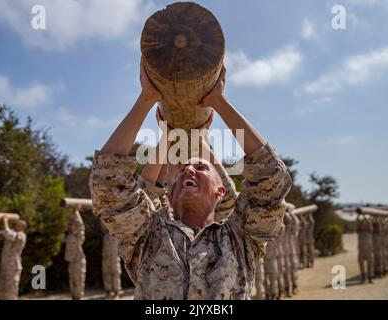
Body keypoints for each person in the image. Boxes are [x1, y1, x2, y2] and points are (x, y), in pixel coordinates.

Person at [89, 60, 292, 299]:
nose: (188, 170)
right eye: (184, 169)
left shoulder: (240, 241)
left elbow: (271, 180)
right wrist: (147, 100)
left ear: (220, 191)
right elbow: (109, 185)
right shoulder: (149, 237)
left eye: (200, 168)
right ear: (171, 197)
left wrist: (219, 101)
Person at [0, 215, 27, 299]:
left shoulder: (21, 236)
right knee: (2, 290)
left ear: (22, 227)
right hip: (5, 265)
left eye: (17, 225)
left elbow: (9, 234)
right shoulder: (11, 232)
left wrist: (5, 221)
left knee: (11, 291)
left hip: (13, 267)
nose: (15, 225)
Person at [64, 206, 86, 300]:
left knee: (78, 281)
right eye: (71, 224)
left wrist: (77, 212)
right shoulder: (70, 235)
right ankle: (74, 297)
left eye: (73, 224)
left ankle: (79, 297)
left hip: (78, 261)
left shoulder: (78, 237)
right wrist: (73, 212)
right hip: (71, 261)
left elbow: (81, 225)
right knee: (72, 282)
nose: (71, 225)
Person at [102, 226, 122, 299]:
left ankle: (116, 292)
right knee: (106, 274)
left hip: (114, 258)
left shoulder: (116, 235)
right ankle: (108, 291)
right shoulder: (106, 236)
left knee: (115, 274)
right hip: (106, 258)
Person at [356, 215, 374, 284]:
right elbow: (357, 222)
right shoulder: (359, 231)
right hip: (361, 250)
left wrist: (365, 218)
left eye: (364, 223)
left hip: (369, 250)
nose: (363, 224)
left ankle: (370, 278)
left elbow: (370, 223)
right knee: (361, 264)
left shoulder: (369, 230)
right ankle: (363, 277)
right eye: (362, 223)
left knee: (370, 264)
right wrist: (359, 216)